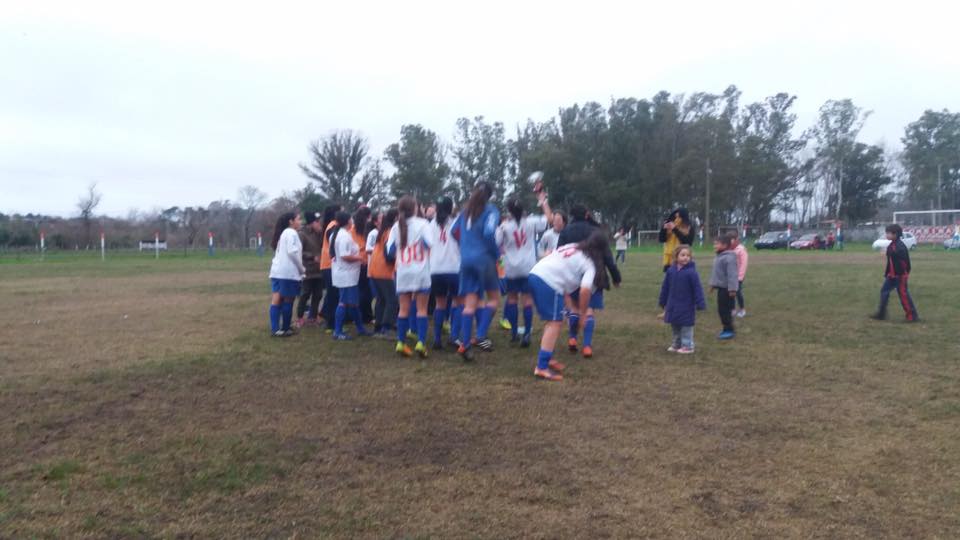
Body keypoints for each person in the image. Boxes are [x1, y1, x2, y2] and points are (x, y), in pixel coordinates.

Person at [528, 231, 610, 381]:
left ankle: (548, 358)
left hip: (536, 274)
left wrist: (571, 306)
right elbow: (585, 291)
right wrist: (583, 314)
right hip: (547, 281)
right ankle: (541, 367)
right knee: (555, 323)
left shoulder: (573, 246)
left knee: (554, 321)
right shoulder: (590, 264)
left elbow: (560, 268)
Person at [557, 204, 622, 358]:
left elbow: (559, 253)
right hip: (594, 273)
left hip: (571, 273)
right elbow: (608, 257)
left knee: (574, 308)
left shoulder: (566, 231)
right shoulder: (596, 232)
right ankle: (586, 346)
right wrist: (616, 277)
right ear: (587, 214)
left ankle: (572, 338)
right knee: (589, 309)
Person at [451, 182, 501, 361]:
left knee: (469, 304)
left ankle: (465, 344)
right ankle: (480, 335)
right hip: (484, 259)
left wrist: (465, 246)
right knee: (494, 298)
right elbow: (489, 233)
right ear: (490, 196)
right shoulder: (491, 210)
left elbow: (453, 231)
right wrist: (496, 253)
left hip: (466, 260)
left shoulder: (465, 211)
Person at [497, 192, 553, 347]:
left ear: (509, 210)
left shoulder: (505, 226)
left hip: (511, 268)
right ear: (522, 209)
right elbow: (549, 219)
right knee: (527, 300)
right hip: (528, 267)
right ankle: (527, 333)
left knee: (512, 299)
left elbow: (496, 242)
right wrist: (543, 201)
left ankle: (514, 332)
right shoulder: (531, 222)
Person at [388, 195, 433, 358]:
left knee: (403, 309)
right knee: (422, 309)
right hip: (420, 270)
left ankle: (401, 342)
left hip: (403, 271)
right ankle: (421, 342)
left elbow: (390, 251)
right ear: (415, 208)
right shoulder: (423, 224)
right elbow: (429, 244)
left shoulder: (395, 227)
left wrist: (403, 253)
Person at [658, 245, 706, 354]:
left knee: (686, 326)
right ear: (676, 256)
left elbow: (697, 288)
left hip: (686, 305)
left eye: (688, 255)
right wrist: (663, 300)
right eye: (683, 255)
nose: (686, 257)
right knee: (675, 325)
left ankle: (688, 345)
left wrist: (700, 303)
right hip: (673, 304)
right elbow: (665, 287)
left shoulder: (692, 273)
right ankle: (676, 344)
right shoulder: (671, 271)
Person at [428, 196, 462, 350]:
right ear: (451, 208)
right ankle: (454, 337)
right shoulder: (455, 223)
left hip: (435, 269)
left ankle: (436, 338)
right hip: (453, 268)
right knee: (457, 302)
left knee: (439, 304)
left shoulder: (430, 225)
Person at [330, 211, 370, 340]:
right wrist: (360, 258)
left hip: (343, 273)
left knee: (353, 302)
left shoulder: (337, 234)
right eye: (351, 219)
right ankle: (338, 331)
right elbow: (345, 255)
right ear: (348, 221)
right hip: (346, 274)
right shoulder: (344, 236)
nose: (352, 220)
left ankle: (360, 328)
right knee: (344, 302)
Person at [871, 224, 920, 322]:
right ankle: (881, 314)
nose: (886, 235)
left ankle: (912, 316)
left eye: (888, 233)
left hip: (900, 275)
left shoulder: (900, 246)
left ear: (895, 234)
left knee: (903, 294)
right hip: (891, 275)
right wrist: (888, 273)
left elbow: (904, 262)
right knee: (884, 291)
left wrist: (903, 274)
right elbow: (891, 260)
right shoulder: (891, 245)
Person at [268, 211, 305, 337]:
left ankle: (275, 329)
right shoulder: (291, 233)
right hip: (287, 272)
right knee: (288, 299)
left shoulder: (283, 233)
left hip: (276, 271)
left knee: (276, 299)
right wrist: (301, 269)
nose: (301, 222)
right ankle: (285, 328)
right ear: (291, 221)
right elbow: (292, 252)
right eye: (299, 219)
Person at [367, 209, 399, 339]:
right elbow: (389, 254)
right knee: (392, 299)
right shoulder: (391, 231)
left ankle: (378, 327)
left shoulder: (383, 230)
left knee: (381, 299)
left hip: (374, 267)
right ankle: (386, 328)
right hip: (383, 269)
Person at [295, 211, 324, 327]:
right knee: (305, 294)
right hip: (307, 270)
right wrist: (312, 257)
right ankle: (300, 317)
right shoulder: (302, 234)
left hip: (319, 270)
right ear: (311, 223)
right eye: (317, 222)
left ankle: (313, 316)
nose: (319, 224)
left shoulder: (320, 234)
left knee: (318, 294)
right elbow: (298, 252)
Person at [709, 233, 739, 340]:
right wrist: (713, 285)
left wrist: (732, 289)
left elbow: (732, 275)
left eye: (717, 244)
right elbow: (716, 273)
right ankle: (728, 328)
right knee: (722, 310)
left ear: (725, 245)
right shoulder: (719, 256)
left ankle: (728, 330)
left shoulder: (729, 258)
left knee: (724, 310)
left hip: (727, 290)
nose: (714, 246)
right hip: (721, 288)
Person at [317, 204, 342, 330]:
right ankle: (330, 323)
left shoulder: (330, 225)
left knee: (332, 293)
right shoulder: (333, 226)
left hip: (327, 264)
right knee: (333, 294)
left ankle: (324, 315)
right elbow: (334, 243)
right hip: (329, 264)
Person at [351, 206, 375, 325]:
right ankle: (367, 316)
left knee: (360, 290)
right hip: (365, 261)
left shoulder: (352, 229)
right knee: (366, 291)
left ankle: (360, 315)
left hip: (356, 262)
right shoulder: (367, 229)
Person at [658, 208, 694, 272]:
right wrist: (664, 229)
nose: (677, 219)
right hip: (669, 259)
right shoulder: (669, 224)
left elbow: (688, 242)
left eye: (679, 217)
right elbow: (661, 239)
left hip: (682, 258)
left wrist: (675, 229)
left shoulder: (688, 228)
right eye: (675, 217)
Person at [732, 236, 749, 318]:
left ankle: (742, 310)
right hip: (731, 275)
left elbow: (743, 264)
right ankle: (733, 309)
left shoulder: (741, 250)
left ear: (736, 240)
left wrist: (740, 277)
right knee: (731, 292)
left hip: (738, 276)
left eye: (731, 240)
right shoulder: (730, 249)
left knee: (738, 293)